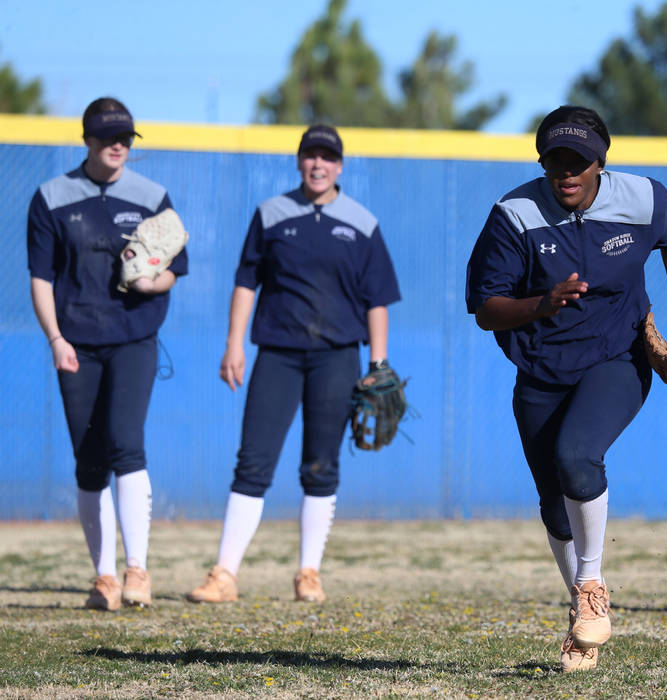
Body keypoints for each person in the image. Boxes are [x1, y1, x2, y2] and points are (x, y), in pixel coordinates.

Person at [465, 106, 667, 671]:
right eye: (554, 161)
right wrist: (542, 304)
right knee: (553, 503)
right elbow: (485, 309)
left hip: (616, 356)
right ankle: (583, 616)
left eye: (578, 161)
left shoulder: (641, 197)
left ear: (601, 161)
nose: (566, 172)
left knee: (578, 456)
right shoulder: (515, 214)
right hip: (541, 368)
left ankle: (590, 586)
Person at [188, 125, 401, 605]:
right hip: (278, 354)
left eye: (328, 157)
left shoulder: (361, 223)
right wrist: (233, 345)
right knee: (253, 462)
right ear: (299, 160)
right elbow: (246, 282)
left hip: (336, 356)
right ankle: (224, 574)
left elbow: (378, 300)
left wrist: (378, 362)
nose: (319, 165)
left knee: (320, 466)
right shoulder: (271, 215)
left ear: (340, 166)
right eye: (311, 156)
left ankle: (309, 573)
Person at [27, 97, 189, 610]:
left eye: (126, 137)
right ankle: (104, 578)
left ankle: (137, 570)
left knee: (126, 445)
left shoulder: (151, 195)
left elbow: (174, 269)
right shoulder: (52, 197)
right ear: (88, 140)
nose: (119, 144)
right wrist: (56, 339)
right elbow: (41, 278)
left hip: (133, 337)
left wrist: (150, 280)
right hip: (76, 341)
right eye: (109, 136)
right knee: (89, 459)